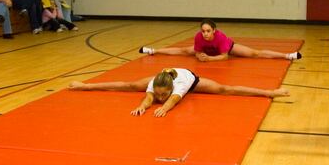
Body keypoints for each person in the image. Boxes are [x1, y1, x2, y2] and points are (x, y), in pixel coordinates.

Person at [69, 67, 289, 117]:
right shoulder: (156, 84)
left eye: (163, 94)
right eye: (159, 94)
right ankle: (85, 86)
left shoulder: (180, 87)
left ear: (171, 89)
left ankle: (270, 91)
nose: (160, 98)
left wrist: (164, 107)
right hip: (165, 75)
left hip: (190, 77)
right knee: (129, 85)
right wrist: (142, 106)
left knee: (224, 89)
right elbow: (147, 98)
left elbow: (172, 101)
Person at [140, 19, 302, 62]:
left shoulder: (221, 38)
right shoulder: (199, 37)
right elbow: (196, 52)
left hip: (226, 50)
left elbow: (225, 56)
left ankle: (287, 55)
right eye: (203, 31)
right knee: (183, 51)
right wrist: (199, 56)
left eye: (208, 31)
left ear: (214, 31)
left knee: (255, 53)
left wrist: (209, 59)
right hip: (207, 52)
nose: (205, 34)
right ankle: (153, 50)